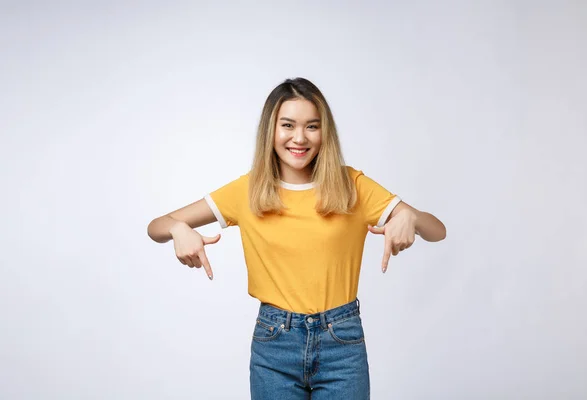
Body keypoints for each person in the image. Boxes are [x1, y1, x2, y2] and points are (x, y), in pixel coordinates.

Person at [147, 77, 446, 399]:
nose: (299, 138)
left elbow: (437, 231)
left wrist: (408, 217)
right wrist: (178, 229)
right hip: (275, 341)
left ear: (324, 132)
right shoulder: (247, 191)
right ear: (270, 130)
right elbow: (157, 226)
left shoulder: (352, 185)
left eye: (312, 126)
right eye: (287, 125)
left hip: (341, 341)